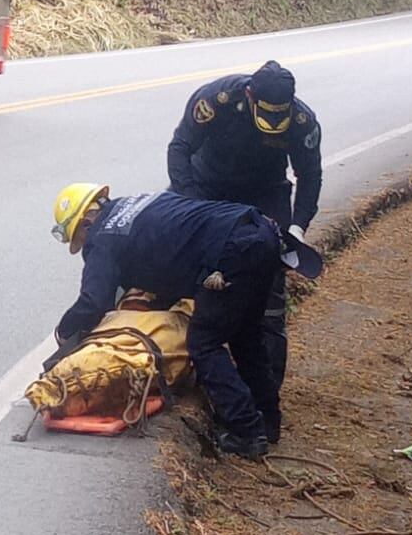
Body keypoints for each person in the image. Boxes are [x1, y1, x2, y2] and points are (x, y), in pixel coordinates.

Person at [50, 183, 289, 459]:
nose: (83, 247)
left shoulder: (103, 236)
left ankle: (246, 432)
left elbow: (94, 301)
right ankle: (268, 422)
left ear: (86, 222)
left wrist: (66, 332)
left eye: (79, 238)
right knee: (246, 335)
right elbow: (171, 254)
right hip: (259, 231)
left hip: (230, 250)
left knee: (203, 343)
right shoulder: (134, 206)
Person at [166, 60, 321, 414]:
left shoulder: (301, 122)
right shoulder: (216, 100)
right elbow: (179, 148)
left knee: (268, 299)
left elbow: (310, 176)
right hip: (208, 187)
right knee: (179, 264)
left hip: (265, 194)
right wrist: (190, 205)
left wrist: (296, 228)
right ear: (250, 96)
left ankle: (262, 401)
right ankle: (173, 364)